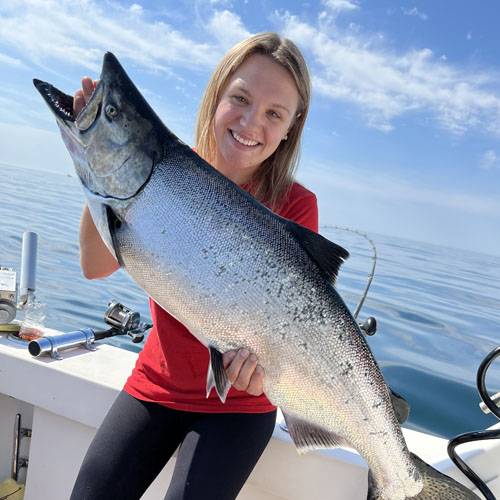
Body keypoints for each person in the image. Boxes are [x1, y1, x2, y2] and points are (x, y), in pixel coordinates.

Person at [70, 32, 317, 500]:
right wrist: (98, 161)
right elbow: (93, 265)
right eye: (240, 98)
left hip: (240, 404)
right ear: (216, 95)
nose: (250, 122)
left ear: (291, 128)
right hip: (156, 384)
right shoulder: (159, 169)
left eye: (274, 113)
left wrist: (268, 367)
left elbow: (294, 327)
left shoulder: (295, 206)